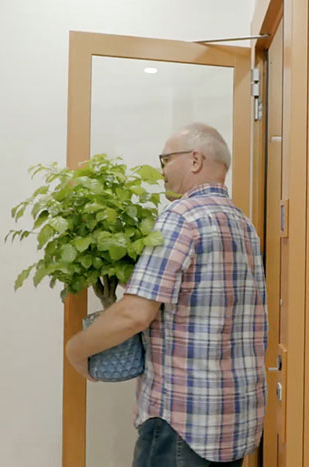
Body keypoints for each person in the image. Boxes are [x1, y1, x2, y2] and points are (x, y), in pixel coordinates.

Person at [66, 122, 267, 467]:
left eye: (165, 159)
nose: (161, 171)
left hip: (182, 420)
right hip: (237, 417)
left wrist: (76, 349)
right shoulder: (243, 223)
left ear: (195, 160)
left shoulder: (182, 217)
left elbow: (135, 314)